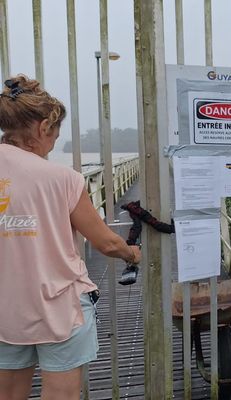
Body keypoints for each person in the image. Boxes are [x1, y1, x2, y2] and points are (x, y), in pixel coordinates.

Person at [0, 75, 142, 399]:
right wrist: (132, 254)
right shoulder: (61, 177)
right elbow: (105, 242)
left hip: (5, 309)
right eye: (55, 135)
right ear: (41, 129)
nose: (53, 144)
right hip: (59, 308)